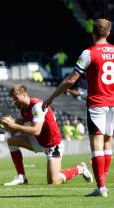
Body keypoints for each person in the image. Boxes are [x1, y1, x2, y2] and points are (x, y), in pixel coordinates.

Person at [43, 19, 113, 197]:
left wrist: (52, 97)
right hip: (113, 102)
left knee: (97, 145)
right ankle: (102, 185)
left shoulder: (89, 53)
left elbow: (70, 80)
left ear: (93, 33)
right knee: (107, 143)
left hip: (97, 103)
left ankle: (101, 188)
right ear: (108, 33)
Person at [0, 84, 93, 186]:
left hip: (53, 145)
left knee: (54, 181)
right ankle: (21, 177)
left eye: (16, 98)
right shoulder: (24, 109)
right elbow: (15, 128)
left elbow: (36, 130)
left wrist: (13, 126)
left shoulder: (37, 106)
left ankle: (80, 169)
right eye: (13, 99)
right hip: (39, 141)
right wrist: (1, 122)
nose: (15, 101)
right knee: (12, 141)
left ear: (24, 94)